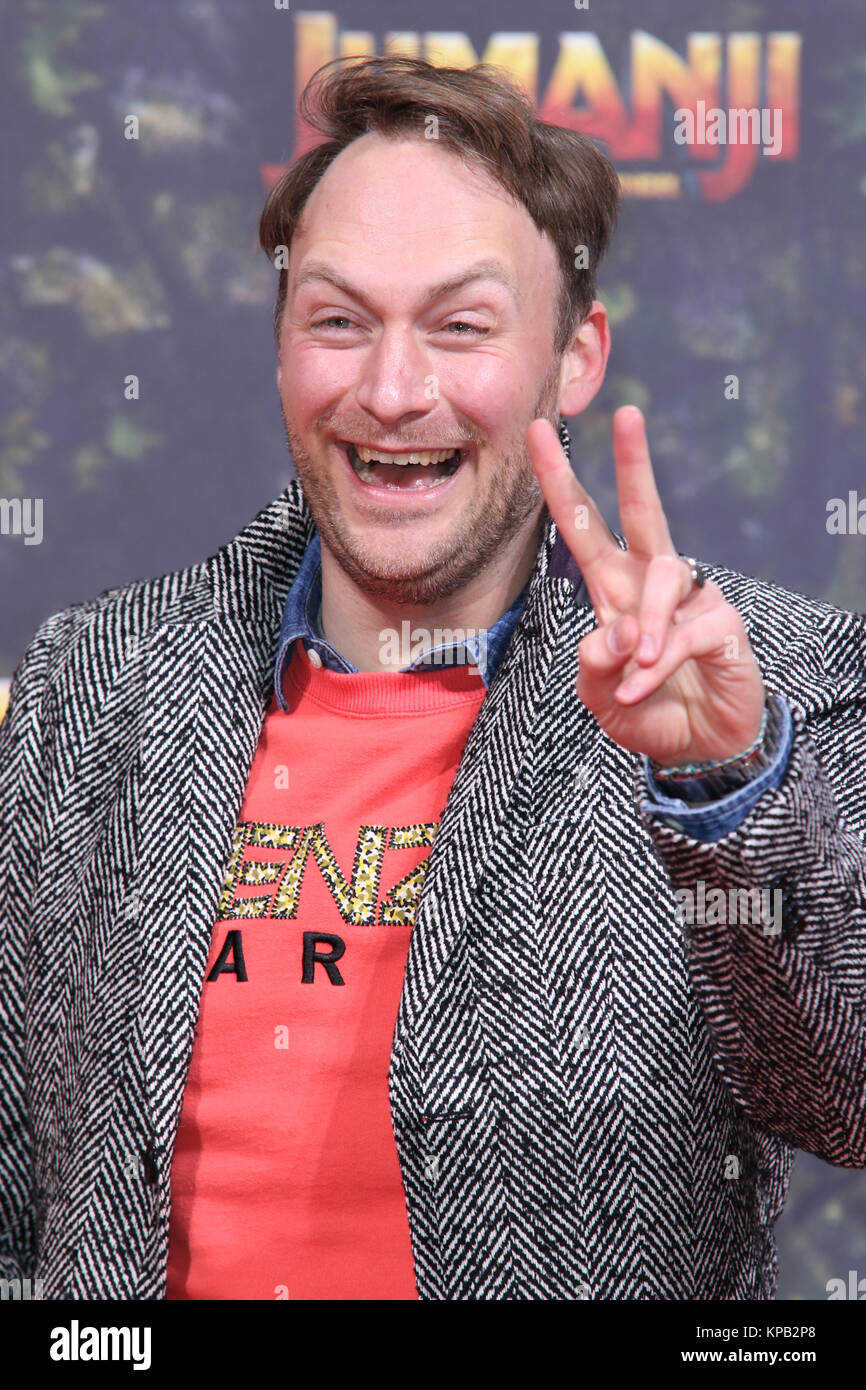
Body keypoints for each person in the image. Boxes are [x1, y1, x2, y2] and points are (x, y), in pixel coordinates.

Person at [1, 54, 864, 1302]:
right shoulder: (95, 684)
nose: (392, 391)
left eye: (459, 326)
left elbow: (841, 1101)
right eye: (337, 320)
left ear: (573, 359)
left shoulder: (766, 689)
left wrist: (721, 792)